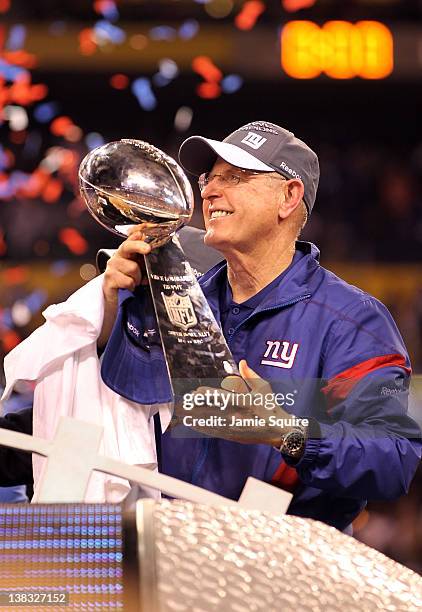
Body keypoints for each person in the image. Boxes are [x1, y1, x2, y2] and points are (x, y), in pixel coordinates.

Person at [2, 121, 421, 531]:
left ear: (289, 197)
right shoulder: (173, 299)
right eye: (209, 178)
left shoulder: (349, 320)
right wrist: (108, 319)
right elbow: (101, 418)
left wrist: (285, 431)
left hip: (281, 575)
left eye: (236, 177)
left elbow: (393, 458)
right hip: (162, 563)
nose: (210, 191)